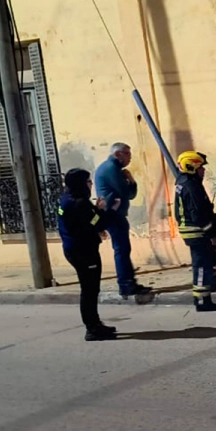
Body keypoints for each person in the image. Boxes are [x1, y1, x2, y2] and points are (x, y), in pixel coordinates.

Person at [57, 168, 117, 341]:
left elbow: (83, 222)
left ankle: (95, 324)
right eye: (88, 181)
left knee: (90, 289)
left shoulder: (66, 198)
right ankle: (92, 328)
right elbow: (97, 223)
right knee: (90, 290)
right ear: (80, 184)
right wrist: (103, 210)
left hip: (75, 249)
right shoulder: (79, 203)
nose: (90, 184)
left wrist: (95, 213)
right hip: (84, 251)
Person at [94, 143, 149, 297]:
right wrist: (131, 181)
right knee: (122, 250)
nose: (130, 158)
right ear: (118, 154)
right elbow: (128, 193)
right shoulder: (111, 169)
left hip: (115, 214)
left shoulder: (111, 168)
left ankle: (128, 282)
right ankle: (126, 284)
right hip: (113, 215)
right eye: (127, 154)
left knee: (123, 249)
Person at [175, 151, 216, 312]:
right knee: (201, 265)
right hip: (196, 231)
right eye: (200, 167)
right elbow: (199, 215)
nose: (203, 171)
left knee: (207, 261)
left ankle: (207, 292)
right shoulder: (191, 186)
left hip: (192, 229)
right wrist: (212, 234)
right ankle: (202, 300)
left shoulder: (185, 181)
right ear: (191, 167)